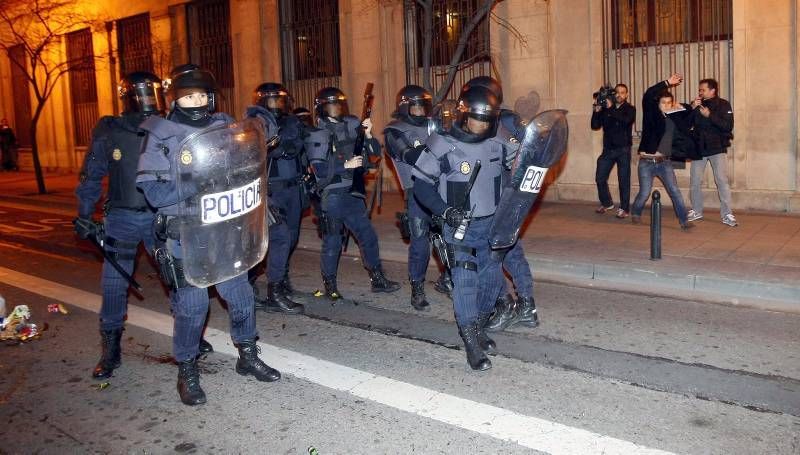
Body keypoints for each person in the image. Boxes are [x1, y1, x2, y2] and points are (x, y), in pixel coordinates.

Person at [136, 64, 280, 406]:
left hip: (224, 229)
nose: (196, 100)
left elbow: (253, 154)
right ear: (176, 99)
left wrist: (260, 120)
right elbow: (153, 193)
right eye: (189, 95)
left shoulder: (223, 127)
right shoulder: (161, 134)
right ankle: (187, 368)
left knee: (241, 295)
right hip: (184, 234)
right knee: (192, 306)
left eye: (202, 94)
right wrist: (195, 179)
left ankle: (247, 355)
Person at [413, 86, 507, 371]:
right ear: (464, 115)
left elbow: (518, 167)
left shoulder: (498, 141)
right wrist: (445, 212)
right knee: (465, 283)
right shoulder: (442, 143)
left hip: (492, 225)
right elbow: (421, 185)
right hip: (459, 226)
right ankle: (470, 342)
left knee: (491, 283)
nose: (482, 126)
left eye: (487, 120)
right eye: (477, 119)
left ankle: (478, 326)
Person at [458, 76, 538, 333]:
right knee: (511, 252)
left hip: (497, 200)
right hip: (508, 198)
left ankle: (502, 305)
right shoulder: (511, 119)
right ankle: (527, 306)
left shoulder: (498, 123)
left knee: (495, 257)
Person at [305, 86, 400, 300]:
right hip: (334, 195)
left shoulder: (352, 125)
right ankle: (330, 285)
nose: (335, 109)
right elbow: (319, 170)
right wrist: (345, 165)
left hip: (353, 193)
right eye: (330, 106)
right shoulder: (317, 133)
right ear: (322, 109)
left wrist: (367, 134)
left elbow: (374, 157)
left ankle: (377, 279)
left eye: (338, 105)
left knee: (368, 236)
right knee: (333, 241)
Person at [245, 83, 305, 315]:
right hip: (270, 190)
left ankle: (279, 278)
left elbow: (299, 146)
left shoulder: (292, 122)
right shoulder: (255, 122)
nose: (275, 106)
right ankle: (252, 284)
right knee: (266, 240)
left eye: (278, 101)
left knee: (290, 238)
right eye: (270, 101)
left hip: (292, 188)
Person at [383, 85, 440, 310]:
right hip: (416, 192)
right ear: (405, 107)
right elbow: (408, 154)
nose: (420, 110)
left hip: (441, 190)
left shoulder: (433, 125)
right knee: (420, 243)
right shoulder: (394, 130)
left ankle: (449, 280)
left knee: (451, 238)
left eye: (423, 106)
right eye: (415, 106)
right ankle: (417, 288)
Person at [630, 74, 692, 230]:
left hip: (665, 162)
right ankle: (636, 213)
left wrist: (690, 105)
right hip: (646, 162)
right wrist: (667, 83)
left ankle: (684, 220)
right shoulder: (651, 115)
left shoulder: (673, 118)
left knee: (675, 191)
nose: (665, 105)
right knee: (644, 193)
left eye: (668, 102)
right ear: (658, 104)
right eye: (663, 102)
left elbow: (688, 116)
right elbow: (648, 94)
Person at [686, 78, 736, 227]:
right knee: (695, 181)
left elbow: (728, 126)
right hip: (699, 148)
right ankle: (696, 210)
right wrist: (691, 108)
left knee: (722, 181)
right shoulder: (697, 105)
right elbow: (686, 124)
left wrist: (710, 116)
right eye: (699, 90)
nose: (700, 92)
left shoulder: (723, 104)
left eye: (703, 90)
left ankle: (727, 213)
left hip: (717, 148)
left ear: (712, 90)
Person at [591, 84, 636, 218]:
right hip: (608, 149)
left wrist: (610, 108)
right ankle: (607, 203)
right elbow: (595, 126)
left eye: (622, 93)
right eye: (617, 92)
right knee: (600, 178)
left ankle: (624, 208)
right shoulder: (605, 108)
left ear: (626, 95)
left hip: (623, 149)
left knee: (624, 180)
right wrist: (597, 111)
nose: (619, 95)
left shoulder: (630, 109)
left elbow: (626, 121)